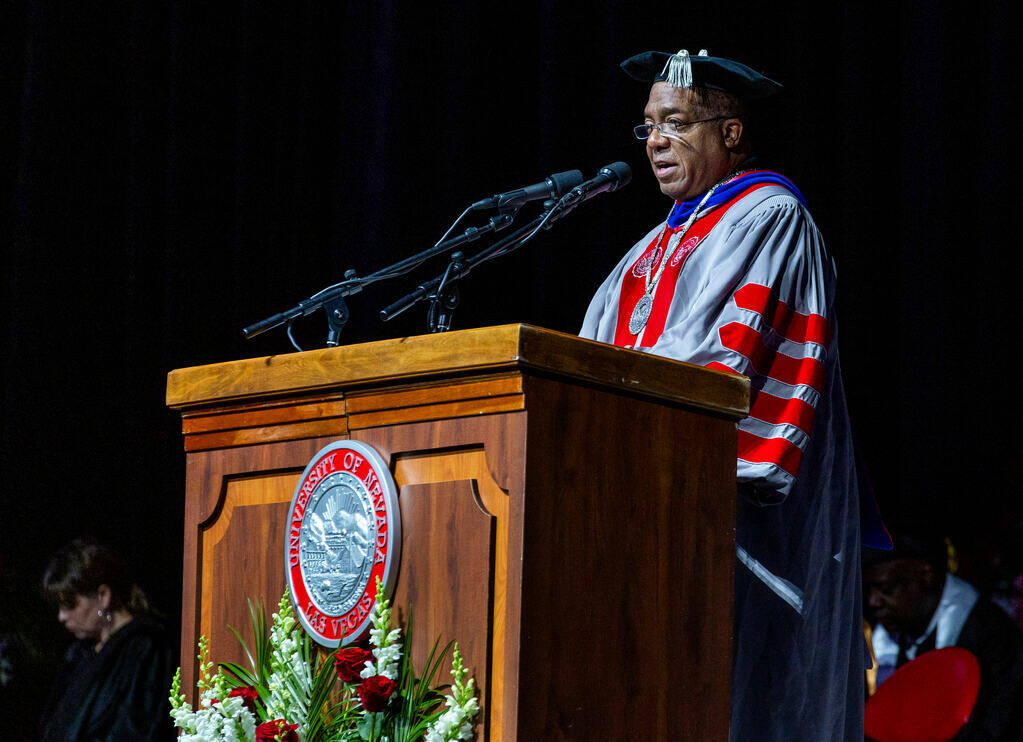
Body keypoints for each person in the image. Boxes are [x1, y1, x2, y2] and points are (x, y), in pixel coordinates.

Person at [580, 48, 864, 739]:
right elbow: (583, 364)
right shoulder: (648, 248)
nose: (654, 142)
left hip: (725, 514)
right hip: (644, 503)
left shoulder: (766, 214)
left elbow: (709, 364)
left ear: (729, 133)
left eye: (674, 122)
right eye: (647, 126)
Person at [864, 533, 1023, 740]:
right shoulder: (887, 635)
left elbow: (997, 726)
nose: (873, 602)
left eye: (886, 589)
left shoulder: (990, 637)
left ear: (926, 574)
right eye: (868, 591)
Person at [39, 539, 177, 742]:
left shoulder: (146, 648)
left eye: (70, 605)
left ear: (103, 596)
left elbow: (140, 727)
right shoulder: (80, 654)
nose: (62, 616)